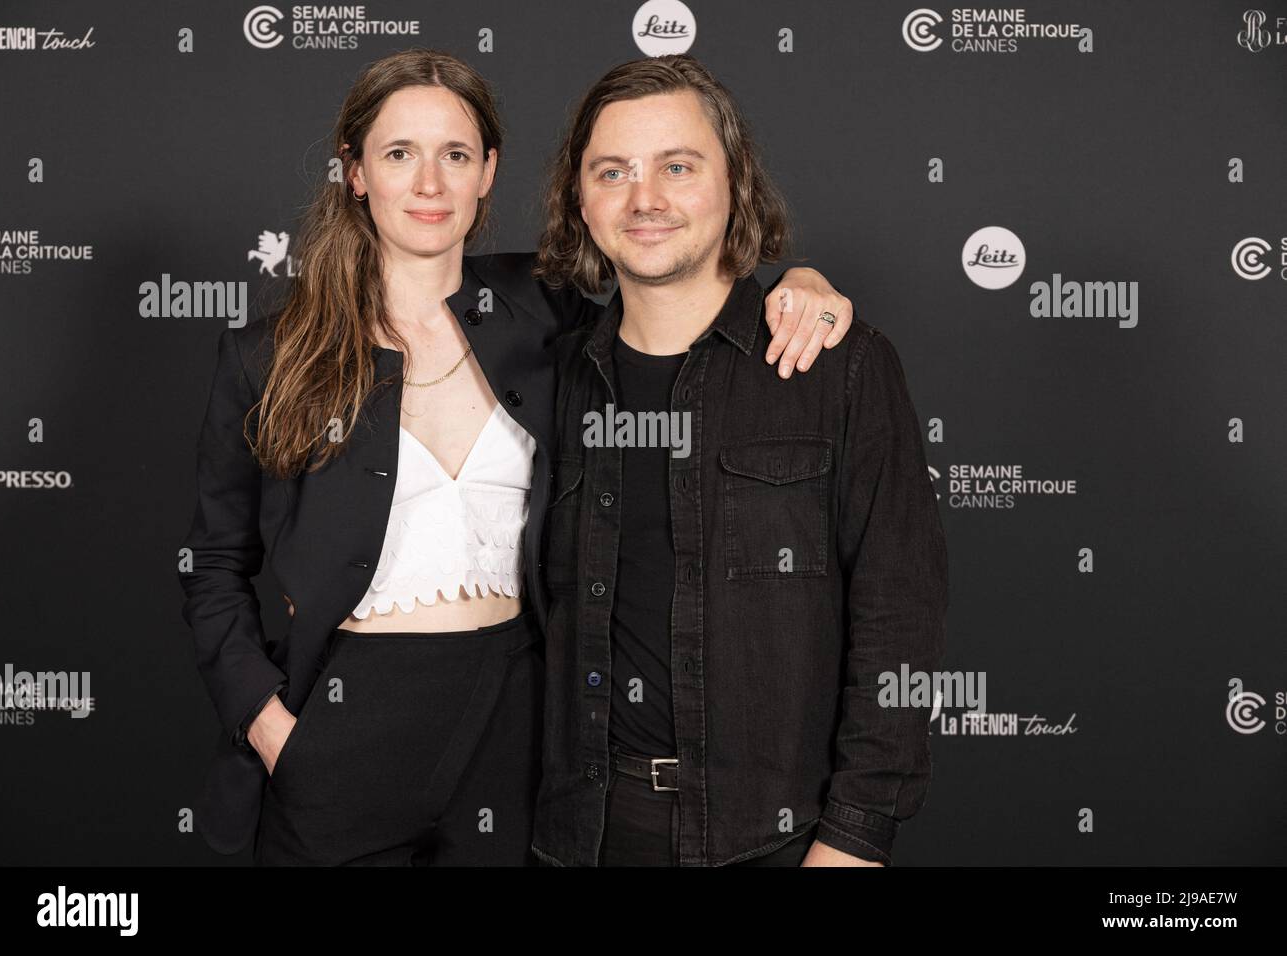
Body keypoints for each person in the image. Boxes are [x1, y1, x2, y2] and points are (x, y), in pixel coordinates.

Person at [177, 47, 854, 865]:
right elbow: (212, 564)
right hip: (341, 723)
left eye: (455, 155)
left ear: (488, 171)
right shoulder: (268, 356)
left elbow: (673, 269)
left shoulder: (542, 306)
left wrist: (802, 281)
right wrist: (272, 727)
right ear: (353, 171)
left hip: (520, 728)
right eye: (399, 154)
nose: (430, 184)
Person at [530, 55, 950, 867]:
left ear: (735, 183)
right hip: (577, 839)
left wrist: (855, 839)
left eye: (677, 167)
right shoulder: (551, 378)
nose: (644, 198)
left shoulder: (839, 368)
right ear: (581, 200)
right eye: (612, 171)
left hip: (775, 844)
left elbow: (900, 616)